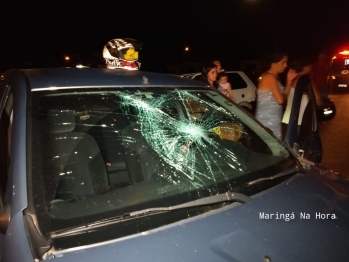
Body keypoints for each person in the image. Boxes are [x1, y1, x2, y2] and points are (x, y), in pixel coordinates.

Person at [255, 52, 294, 139]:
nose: (286, 65)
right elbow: (280, 100)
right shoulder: (269, 77)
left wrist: (289, 81)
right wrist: (283, 96)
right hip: (267, 122)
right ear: (273, 63)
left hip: (273, 121)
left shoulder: (275, 77)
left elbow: (284, 94)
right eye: (283, 62)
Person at [282, 58, 313, 135]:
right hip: (298, 121)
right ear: (304, 66)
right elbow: (318, 99)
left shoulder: (294, 78)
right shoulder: (303, 80)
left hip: (290, 119)